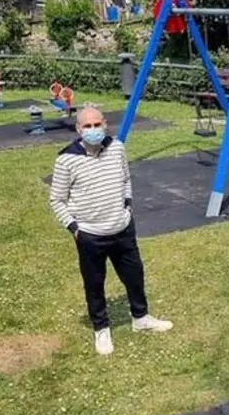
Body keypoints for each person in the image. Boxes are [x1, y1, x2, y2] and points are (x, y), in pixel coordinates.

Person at [50, 106, 172, 355]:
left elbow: (126, 180)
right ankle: (101, 329)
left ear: (105, 124)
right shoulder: (66, 159)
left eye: (97, 125)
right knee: (94, 283)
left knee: (134, 275)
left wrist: (127, 206)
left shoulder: (117, 148)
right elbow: (57, 200)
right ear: (78, 129)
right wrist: (74, 228)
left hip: (122, 228)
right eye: (87, 126)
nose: (93, 130)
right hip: (90, 235)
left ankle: (140, 317)